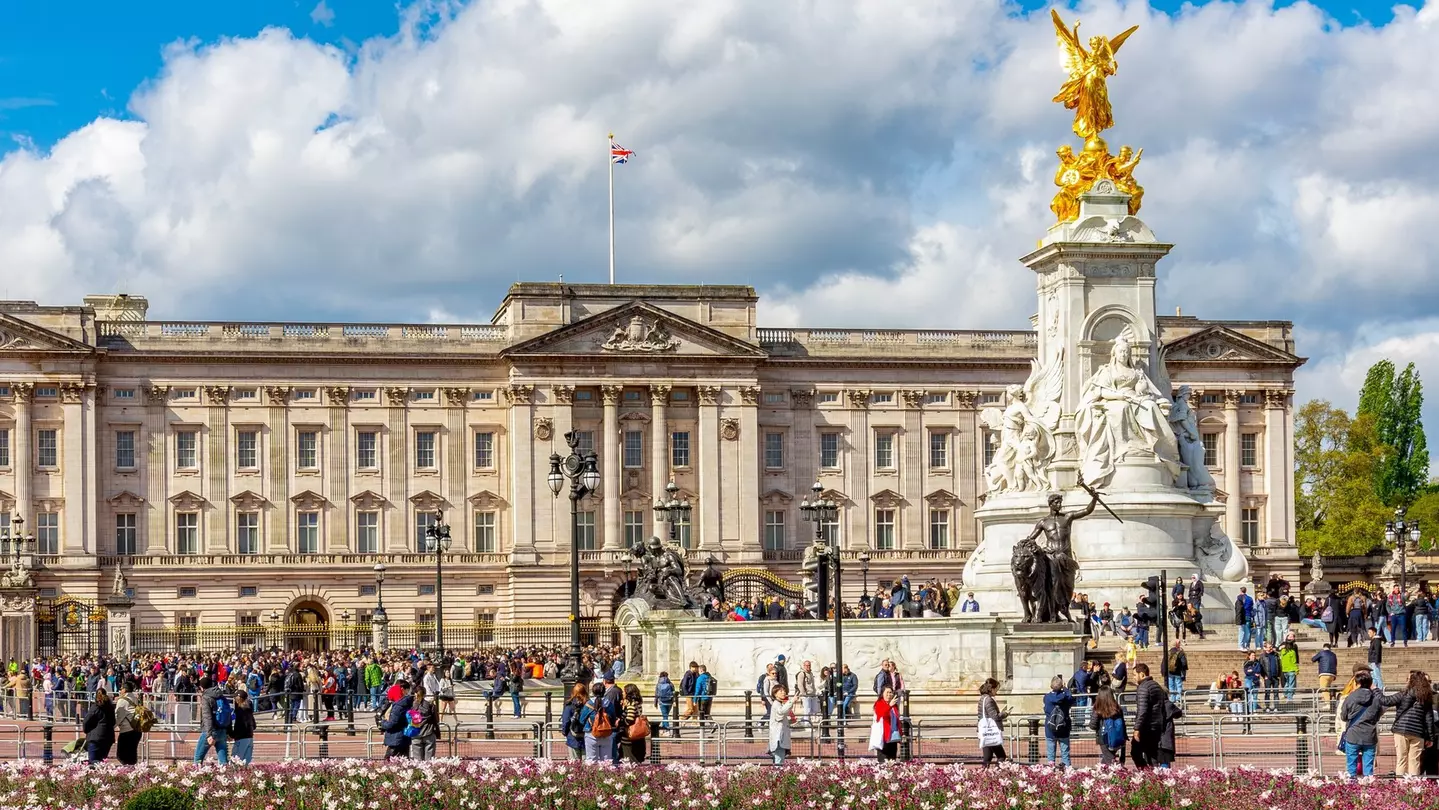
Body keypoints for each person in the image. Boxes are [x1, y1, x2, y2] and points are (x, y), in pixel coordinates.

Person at [1379, 670, 1435, 777]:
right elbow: (1429, 719)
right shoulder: (1426, 697)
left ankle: (1401, 785)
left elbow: (1385, 701)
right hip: (1418, 732)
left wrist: (1375, 690)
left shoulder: (1403, 694)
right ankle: (1413, 785)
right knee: (1415, 760)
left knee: (1401, 759)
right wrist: (1430, 738)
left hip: (1401, 730)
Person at [1339, 670, 1386, 778]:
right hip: (1369, 735)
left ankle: (1352, 787)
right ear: (1370, 683)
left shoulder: (1350, 697)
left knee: (1351, 767)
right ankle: (1368, 788)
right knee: (1368, 768)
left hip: (1353, 734)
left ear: (1357, 683)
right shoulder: (1376, 698)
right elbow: (1378, 714)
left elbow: (1344, 716)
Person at [1131, 663, 1164, 768]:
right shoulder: (1156, 685)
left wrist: (1137, 728)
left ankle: (1145, 775)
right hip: (1157, 724)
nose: (1134, 678)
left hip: (1146, 726)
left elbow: (1142, 710)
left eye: (1135, 675)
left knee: (1135, 752)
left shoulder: (1143, 687)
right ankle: (1154, 776)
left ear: (1142, 674)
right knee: (1152, 754)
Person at [1087, 685, 1126, 766]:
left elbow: (1092, 725)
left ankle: (1112, 776)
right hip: (1118, 738)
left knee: (1110, 761)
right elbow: (1122, 723)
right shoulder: (1117, 708)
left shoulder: (1098, 709)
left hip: (1104, 737)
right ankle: (1101, 774)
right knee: (1107, 760)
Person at [193, 676, 229, 765]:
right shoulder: (221, 696)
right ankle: (226, 776)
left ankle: (196, 776)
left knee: (198, 758)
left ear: (201, 687)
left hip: (210, 731)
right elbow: (228, 713)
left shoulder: (206, 697)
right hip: (222, 729)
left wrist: (209, 734)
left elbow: (207, 716)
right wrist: (228, 731)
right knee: (223, 761)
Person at [580, 681, 618, 763]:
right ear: (604, 691)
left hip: (591, 734)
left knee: (591, 761)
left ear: (593, 692)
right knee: (606, 761)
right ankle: (606, 776)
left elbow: (581, 720)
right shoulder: (609, 704)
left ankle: (591, 776)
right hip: (606, 734)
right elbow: (613, 719)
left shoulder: (588, 704)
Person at [1043, 675, 1074, 767]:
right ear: (1061, 686)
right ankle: (1067, 772)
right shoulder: (1066, 698)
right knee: (1065, 754)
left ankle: (1051, 771)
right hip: (1064, 728)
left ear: (1051, 686)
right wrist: (1065, 689)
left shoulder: (1047, 697)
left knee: (1051, 755)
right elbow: (1071, 699)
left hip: (1050, 729)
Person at [977, 677, 1009, 767]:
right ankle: (996, 775)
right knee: (1001, 756)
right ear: (991, 689)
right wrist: (1004, 714)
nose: (996, 692)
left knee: (987, 757)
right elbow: (994, 716)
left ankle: (983, 775)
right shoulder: (989, 700)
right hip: (991, 731)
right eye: (996, 689)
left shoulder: (982, 698)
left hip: (984, 731)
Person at [381, 679, 415, 760]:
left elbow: (393, 722)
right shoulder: (404, 704)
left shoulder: (399, 706)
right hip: (402, 737)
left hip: (396, 738)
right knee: (404, 760)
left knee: (389, 761)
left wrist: (383, 723)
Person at [81, 688, 116, 766]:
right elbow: (113, 722)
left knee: (93, 761)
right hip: (108, 737)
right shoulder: (110, 707)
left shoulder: (95, 707)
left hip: (95, 737)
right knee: (103, 760)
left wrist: (87, 730)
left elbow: (86, 721)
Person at [113, 681, 144, 766]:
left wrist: (110, 727)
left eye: (121, 688)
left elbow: (118, 717)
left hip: (127, 731)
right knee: (132, 755)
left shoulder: (122, 701)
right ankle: (132, 772)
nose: (120, 691)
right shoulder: (134, 698)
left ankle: (127, 772)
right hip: (137, 730)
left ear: (124, 690)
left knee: (121, 755)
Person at [766, 684, 798, 765]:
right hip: (778, 737)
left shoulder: (779, 704)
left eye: (784, 691)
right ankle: (777, 776)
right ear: (775, 694)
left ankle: (777, 775)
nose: (783, 692)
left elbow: (780, 718)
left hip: (780, 737)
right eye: (781, 691)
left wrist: (790, 721)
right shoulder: (776, 704)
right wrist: (792, 701)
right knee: (779, 760)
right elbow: (781, 712)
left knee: (780, 760)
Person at [409, 684, 441, 762]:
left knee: (417, 761)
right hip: (428, 733)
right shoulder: (430, 705)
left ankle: (419, 773)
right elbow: (436, 720)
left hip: (415, 734)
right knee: (429, 761)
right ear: (424, 695)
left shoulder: (410, 706)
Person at [870, 685, 902, 762]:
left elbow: (897, 720)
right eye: (887, 692)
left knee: (892, 760)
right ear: (882, 694)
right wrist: (889, 705)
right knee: (883, 761)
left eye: (891, 692)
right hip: (883, 736)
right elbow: (882, 714)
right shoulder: (879, 703)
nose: (889, 695)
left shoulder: (894, 706)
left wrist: (901, 733)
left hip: (893, 736)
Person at [619, 683, 648, 763]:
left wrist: (621, 722)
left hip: (629, 737)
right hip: (638, 737)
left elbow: (629, 719)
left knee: (629, 758)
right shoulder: (637, 703)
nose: (622, 693)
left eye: (624, 692)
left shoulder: (631, 705)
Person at [559, 683, 588, 760]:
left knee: (575, 765)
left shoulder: (570, 705)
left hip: (573, 737)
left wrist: (564, 732)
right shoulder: (588, 705)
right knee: (587, 765)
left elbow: (566, 721)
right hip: (586, 736)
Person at [230, 692, 257, 765]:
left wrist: (232, 735)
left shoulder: (240, 710)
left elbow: (239, 726)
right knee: (245, 762)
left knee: (235, 760)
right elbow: (254, 725)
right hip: (250, 737)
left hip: (241, 738)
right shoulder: (249, 709)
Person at [654, 671, 678, 738]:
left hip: (661, 701)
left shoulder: (658, 684)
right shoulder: (670, 684)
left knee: (665, 716)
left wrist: (655, 703)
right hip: (669, 701)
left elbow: (656, 694)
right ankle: (664, 729)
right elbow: (674, 692)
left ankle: (667, 730)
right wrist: (674, 701)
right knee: (666, 716)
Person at [1368, 627, 1385, 692]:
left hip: (1375, 661)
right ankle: (1374, 688)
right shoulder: (1373, 640)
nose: (1369, 633)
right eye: (1368, 632)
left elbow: (1377, 651)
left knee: (1377, 675)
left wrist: (1376, 661)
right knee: (1373, 676)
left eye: (1370, 632)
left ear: (1374, 633)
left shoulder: (1376, 640)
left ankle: (1381, 688)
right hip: (1372, 660)